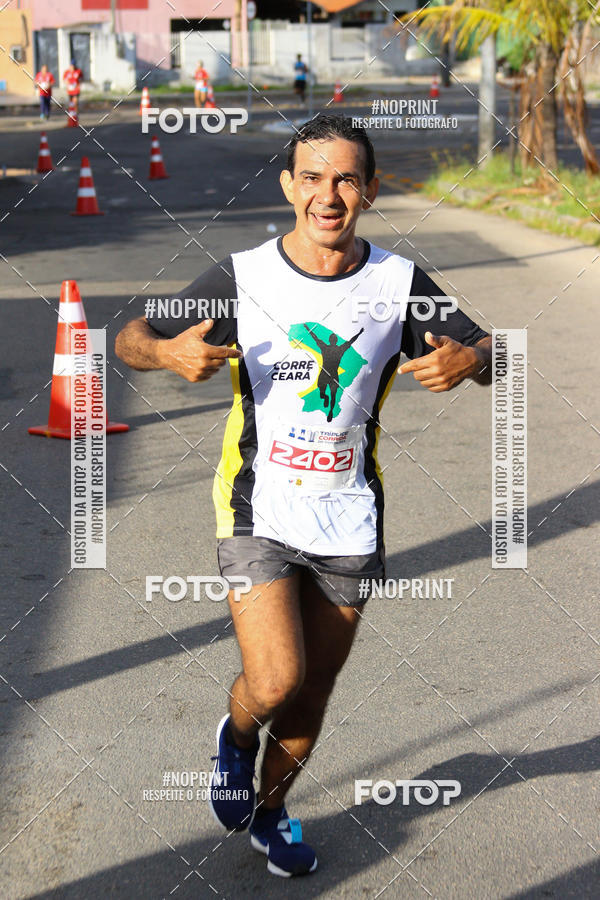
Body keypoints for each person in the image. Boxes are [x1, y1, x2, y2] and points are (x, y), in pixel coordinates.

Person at [115, 114, 492, 878]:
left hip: (348, 512)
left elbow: (493, 349)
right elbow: (129, 336)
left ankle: (272, 813)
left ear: (371, 190)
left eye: (347, 178)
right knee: (277, 679)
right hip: (257, 505)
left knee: (314, 688)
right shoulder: (242, 275)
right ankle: (236, 733)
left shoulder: (398, 282)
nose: (329, 194)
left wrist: (473, 359)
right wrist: (163, 352)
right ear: (290, 186)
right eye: (313, 177)